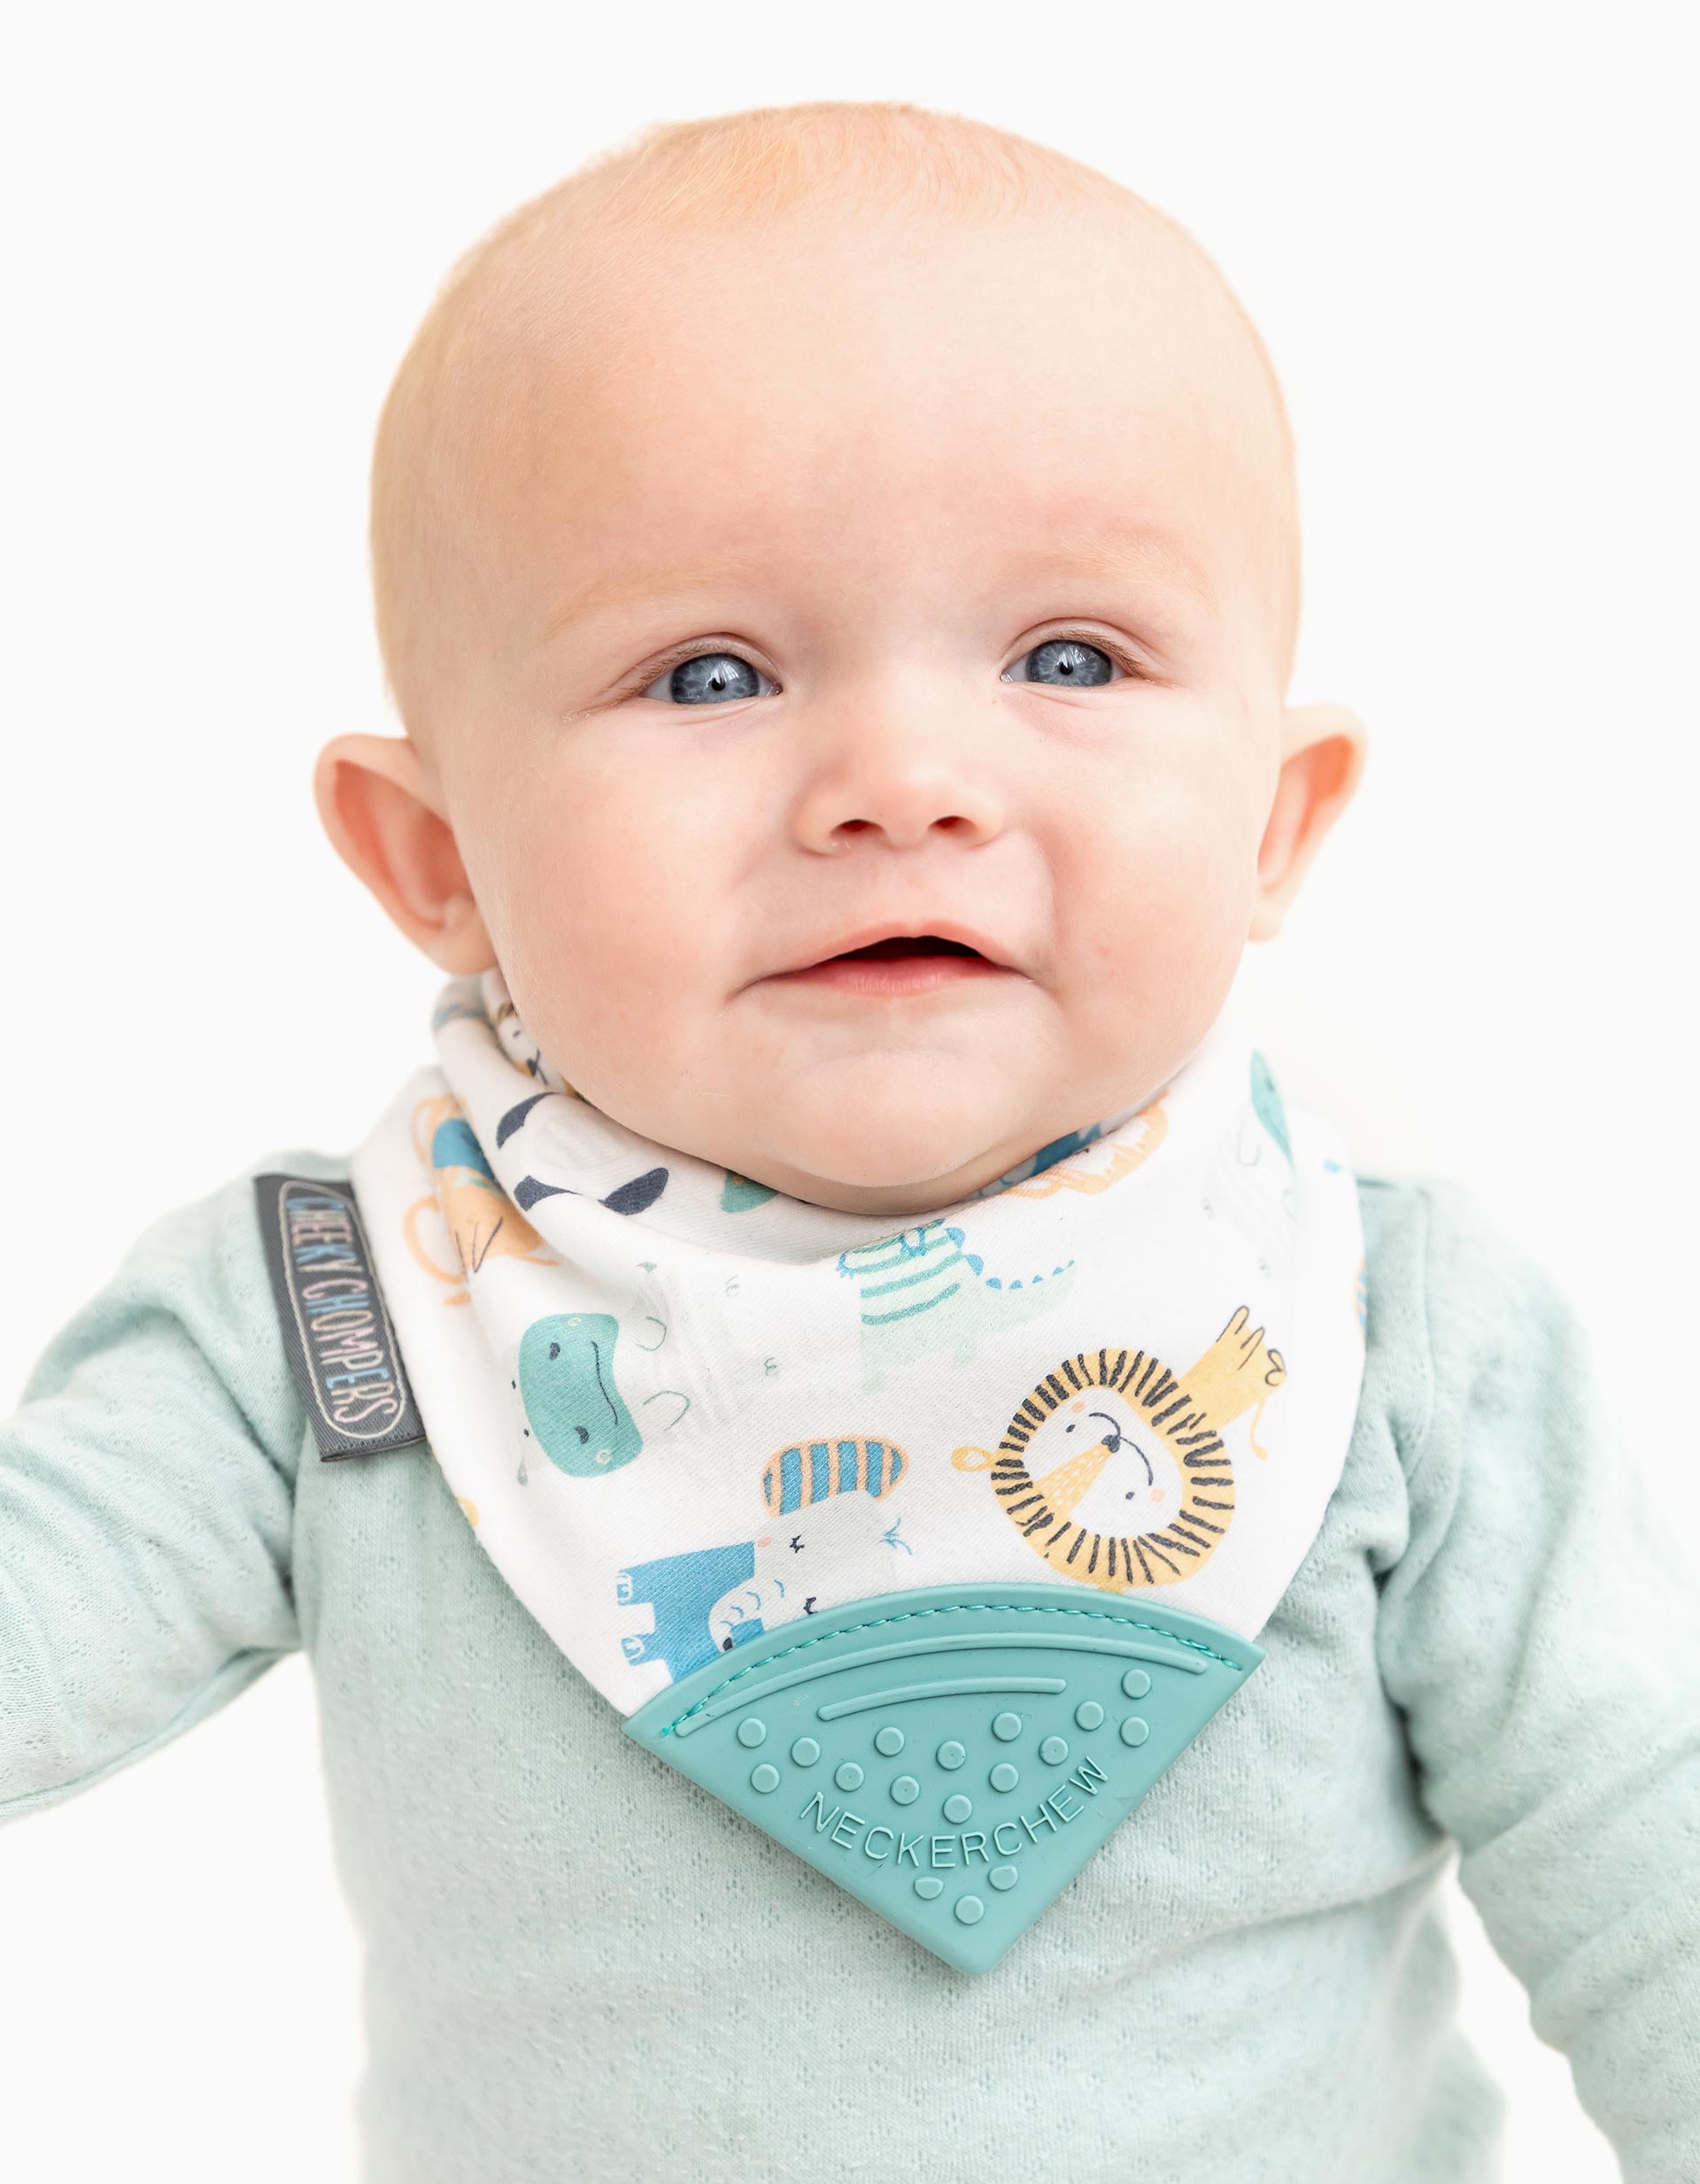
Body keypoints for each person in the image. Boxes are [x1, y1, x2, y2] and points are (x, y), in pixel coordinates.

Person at [4, 98, 1696, 2184]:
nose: (900, 780)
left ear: (1276, 818)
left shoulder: (1391, 1334)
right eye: (710, 672)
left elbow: (1659, 1886)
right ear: (436, 855)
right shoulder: (336, 1322)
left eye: (1067, 655)